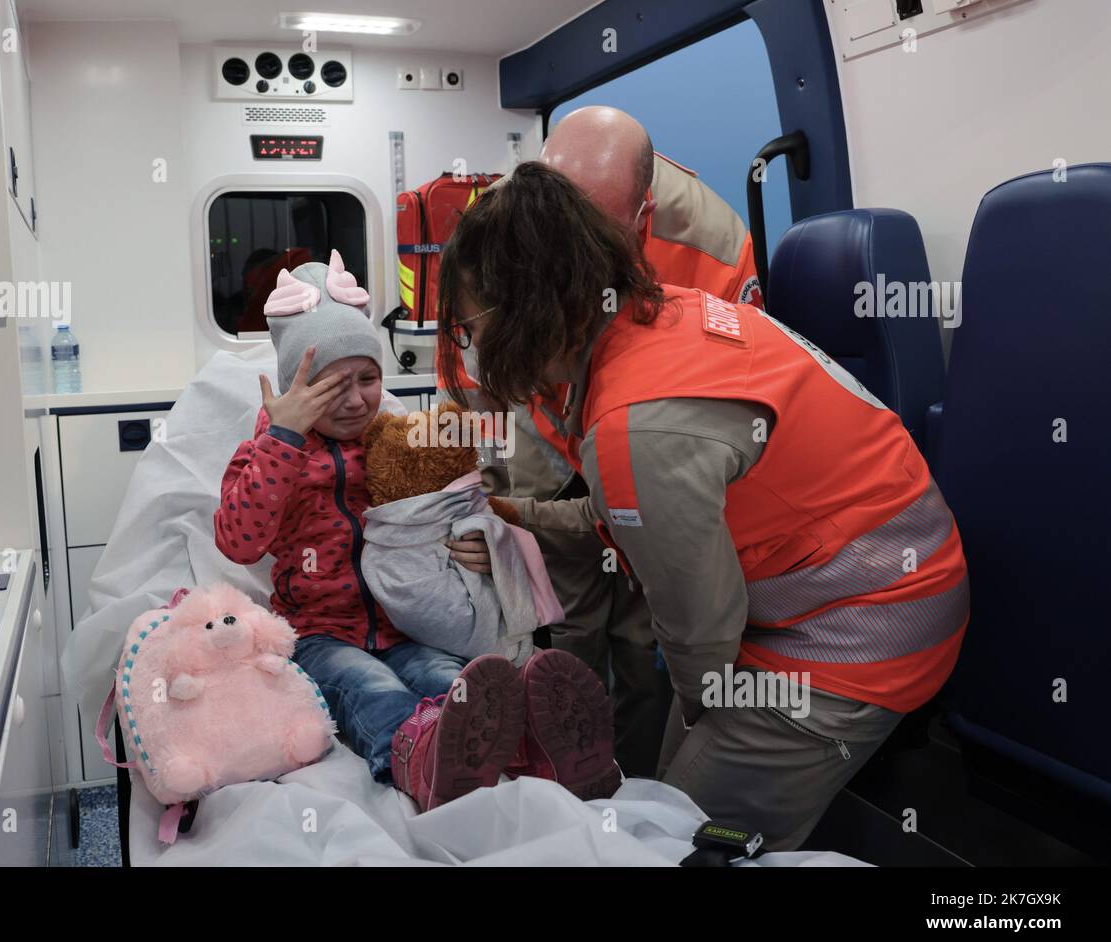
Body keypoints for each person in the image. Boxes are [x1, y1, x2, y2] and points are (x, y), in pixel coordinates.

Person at [436, 163, 969, 850]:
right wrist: (522, 516)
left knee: (672, 831)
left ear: (527, 309)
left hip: (862, 628)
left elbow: (702, 640)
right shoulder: (669, 312)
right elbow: (647, 518)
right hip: (857, 576)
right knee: (662, 785)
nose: (471, 347)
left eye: (469, 325)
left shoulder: (636, 426)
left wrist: (703, 734)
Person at [214, 250, 617, 811]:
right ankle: (420, 758)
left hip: (406, 625)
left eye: (368, 379)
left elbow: (462, 498)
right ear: (295, 389)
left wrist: (481, 544)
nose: (355, 400)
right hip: (320, 635)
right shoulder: (267, 454)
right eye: (332, 387)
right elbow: (239, 540)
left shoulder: (396, 437)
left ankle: (543, 749)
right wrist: (281, 439)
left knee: (456, 680)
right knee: (371, 690)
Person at [445, 105, 761, 777]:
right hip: (548, 432)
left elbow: (734, 390)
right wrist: (486, 500)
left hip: (652, 433)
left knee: (649, 632)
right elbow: (481, 375)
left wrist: (637, 472)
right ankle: (565, 764)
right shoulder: (506, 222)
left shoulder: (714, 245)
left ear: (642, 218)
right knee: (565, 620)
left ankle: (637, 777)